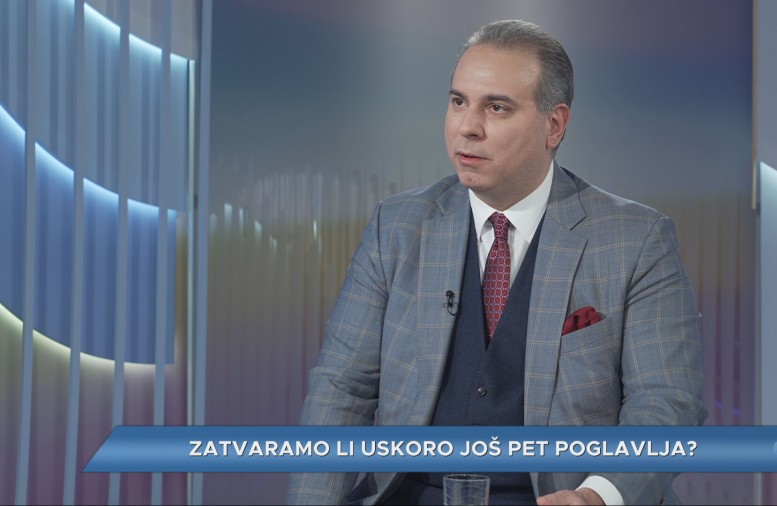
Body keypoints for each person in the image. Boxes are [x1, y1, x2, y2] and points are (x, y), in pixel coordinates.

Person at [288, 20, 705, 506]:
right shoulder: (399, 226)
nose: (468, 127)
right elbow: (341, 390)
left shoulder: (635, 240)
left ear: (554, 125)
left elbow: (666, 402)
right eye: (458, 102)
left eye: (497, 107)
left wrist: (596, 497)